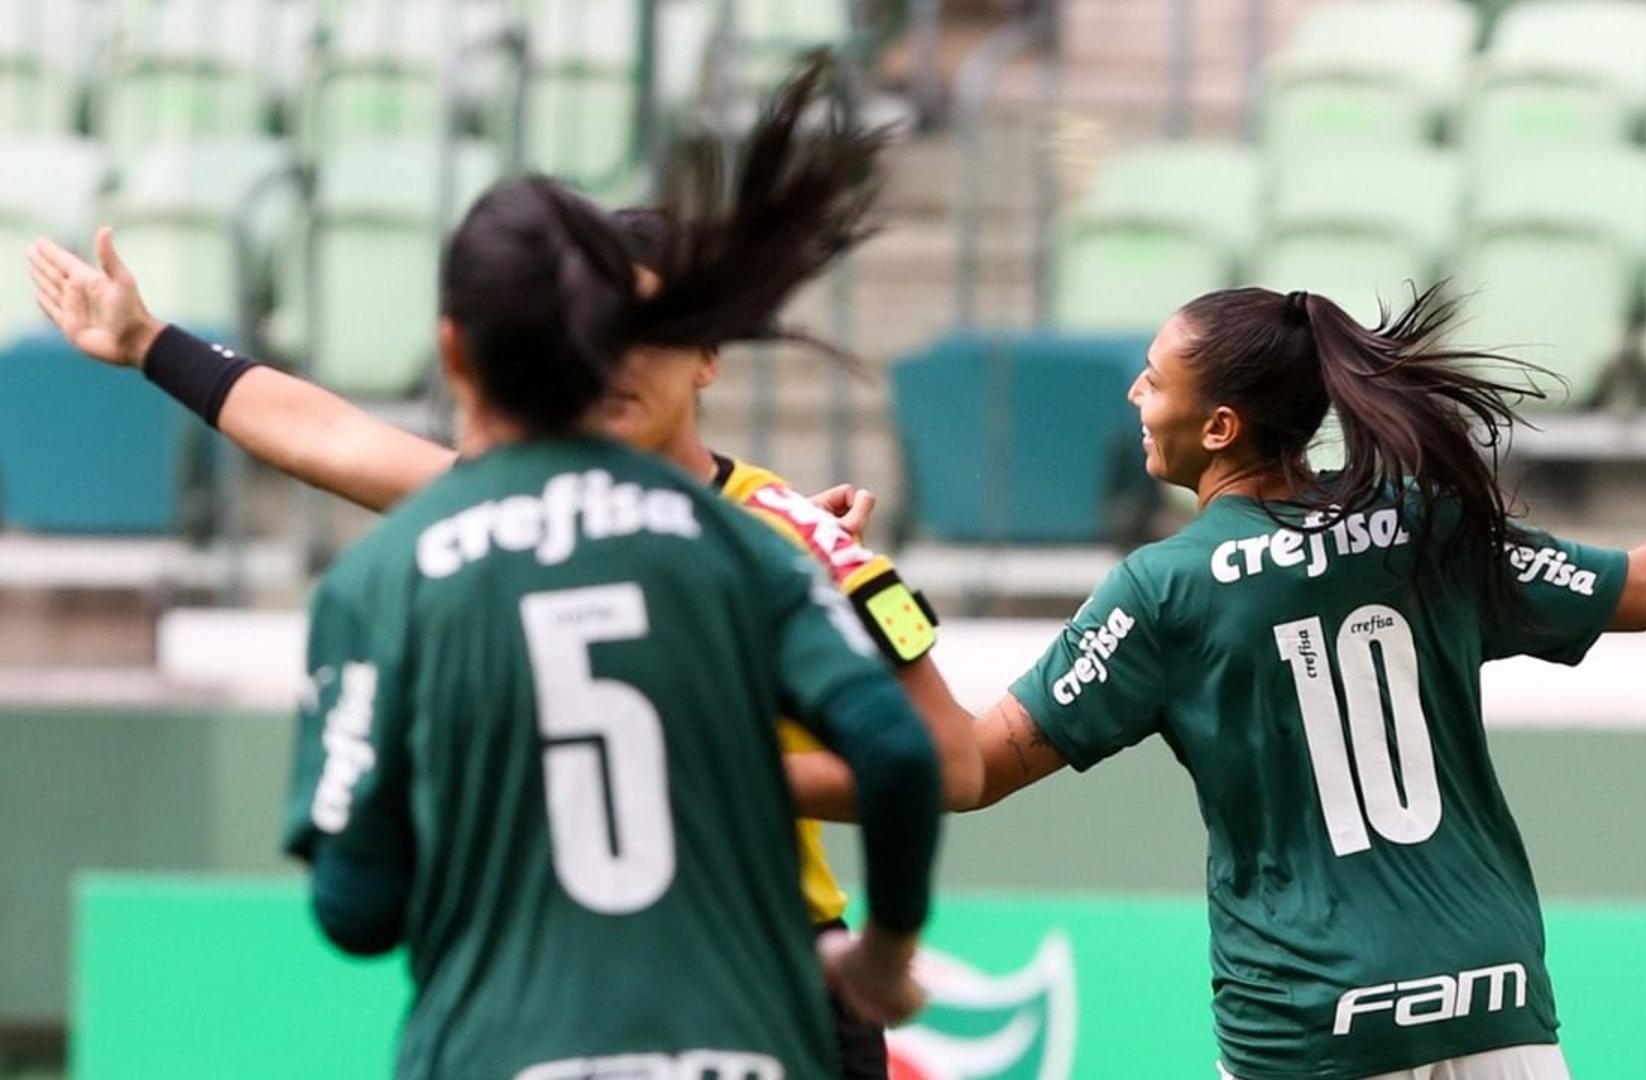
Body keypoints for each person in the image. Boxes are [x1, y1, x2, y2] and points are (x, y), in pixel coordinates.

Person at [25, 58, 979, 1080]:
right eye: (596, 334)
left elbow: (949, 762)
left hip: (758, 968)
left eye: (648, 336)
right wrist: (152, 343)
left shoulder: (785, 534)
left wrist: (691, 764)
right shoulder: (564, 521)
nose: (618, 361)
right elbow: (329, 437)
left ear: (707, 357)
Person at [818, 285, 1646, 1080]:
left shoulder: (1166, 592)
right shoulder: (1424, 526)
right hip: (1495, 1007)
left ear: (1219, 426)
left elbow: (964, 771)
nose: (1133, 397)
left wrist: (863, 592)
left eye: (1152, 383)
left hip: (1308, 1029)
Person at [299, 168, 942, 1077]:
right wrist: (882, 957)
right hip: (744, 1040)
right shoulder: (747, 540)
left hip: (501, 1046)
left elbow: (355, 909)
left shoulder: (382, 576)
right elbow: (904, 753)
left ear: (453, 351)